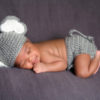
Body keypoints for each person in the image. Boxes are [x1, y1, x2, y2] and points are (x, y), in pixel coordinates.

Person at [0, 16, 100, 78]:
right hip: (74, 48)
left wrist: (45, 67)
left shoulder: (42, 54)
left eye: (28, 50)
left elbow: (63, 64)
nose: (30, 59)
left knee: (82, 73)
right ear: (17, 67)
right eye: (23, 62)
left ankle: (97, 57)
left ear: (28, 41)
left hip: (78, 47)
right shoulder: (35, 50)